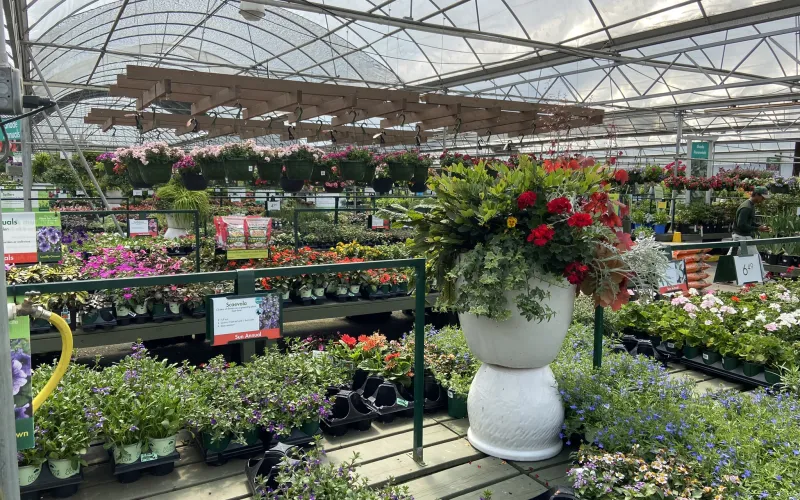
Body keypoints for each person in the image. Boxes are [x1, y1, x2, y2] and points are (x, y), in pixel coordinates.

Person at [728, 186, 771, 262]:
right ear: (757, 195)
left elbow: (749, 222)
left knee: (734, 259)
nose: (763, 200)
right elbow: (741, 225)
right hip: (741, 237)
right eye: (763, 197)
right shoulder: (746, 207)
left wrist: (759, 226)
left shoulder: (750, 205)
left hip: (743, 236)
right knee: (755, 260)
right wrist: (757, 228)